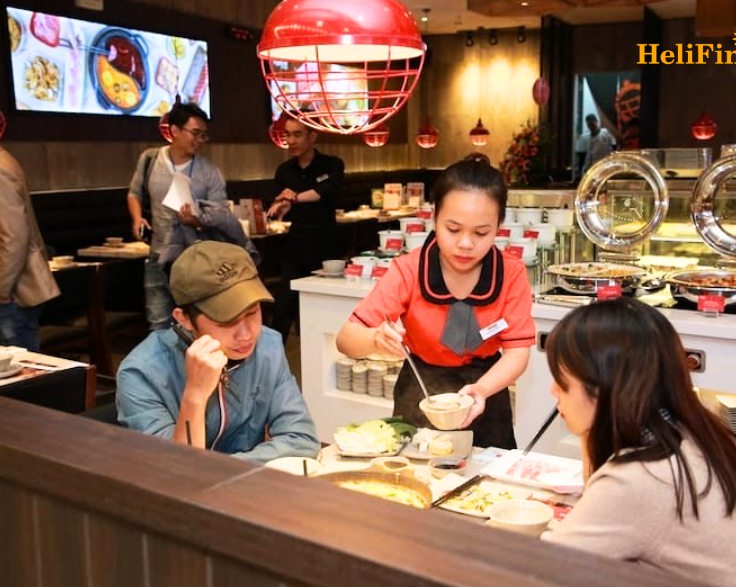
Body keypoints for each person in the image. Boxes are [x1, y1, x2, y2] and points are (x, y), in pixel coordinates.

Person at [540, 298, 736, 587]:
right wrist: (592, 425)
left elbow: (544, 568)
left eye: (562, 381)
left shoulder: (640, 479)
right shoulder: (699, 432)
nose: (553, 390)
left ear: (603, 388)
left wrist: (590, 424)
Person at [335, 158, 535, 449]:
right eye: (453, 229)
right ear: (434, 218)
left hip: (486, 393)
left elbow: (517, 353)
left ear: (498, 226)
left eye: (481, 232)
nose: (465, 243)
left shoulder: (510, 273)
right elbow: (346, 340)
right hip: (420, 387)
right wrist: (375, 339)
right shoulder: (409, 270)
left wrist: (481, 390)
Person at [117, 240, 320, 464]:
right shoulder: (141, 373)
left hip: (245, 480)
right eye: (226, 322)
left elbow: (301, 441)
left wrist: (221, 469)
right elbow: (179, 470)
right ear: (184, 319)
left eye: (252, 312)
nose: (246, 334)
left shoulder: (267, 345)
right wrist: (194, 395)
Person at [127, 102, 227, 330]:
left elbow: (221, 213)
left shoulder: (209, 172)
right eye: (195, 133)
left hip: (195, 259)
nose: (199, 140)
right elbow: (134, 193)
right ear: (174, 130)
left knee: (197, 324)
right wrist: (137, 218)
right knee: (158, 322)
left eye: (203, 135)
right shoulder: (150, 160)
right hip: (159, 255)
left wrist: (197, 220)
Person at [265, 116, 344, 343]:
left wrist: (295, 198)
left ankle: (333, 350)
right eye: (287, 135)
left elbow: (324, 191)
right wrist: (281, 202)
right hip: (295, 245)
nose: (291, 140)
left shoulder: (332, 164)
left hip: (326, 245)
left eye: (297, 134)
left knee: (327, 304)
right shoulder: (284, 170)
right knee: (283, 307)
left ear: (312, 136)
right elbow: (274, 207)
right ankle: (274, 354)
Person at [0, 143, 59, 351]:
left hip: (14, 294)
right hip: (13, 292)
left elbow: (14, 237)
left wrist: (1, 289)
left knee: (17, 366)